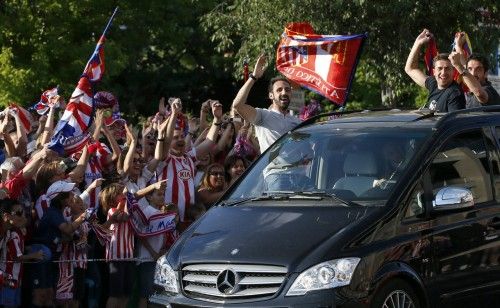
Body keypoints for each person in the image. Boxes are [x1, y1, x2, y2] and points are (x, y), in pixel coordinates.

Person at [233, 54, 301, 152]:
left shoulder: (298, 122)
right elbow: (238, 105)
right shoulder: (262, 115)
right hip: (273, 167)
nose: (284, 93)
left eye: (287, 90)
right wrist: (254, 76)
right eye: (279, 90)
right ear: (271, 95)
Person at [405, 29, 465, 112]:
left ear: (453, 71)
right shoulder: (433, 83)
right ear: (434, 72)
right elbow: (410, 69)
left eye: (447, 68)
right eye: (440, 68)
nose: (443, 73)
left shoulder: (454, 93)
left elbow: (454, 123)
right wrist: (417, 43)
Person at [449, 34, 500, 108]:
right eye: (470, 69)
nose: (473, 73)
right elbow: (464, 66)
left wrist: (457, 65)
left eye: (478, 69)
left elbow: (479, 93)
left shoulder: (488, 90)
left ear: (486, 73)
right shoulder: (470, 89)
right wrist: (458, 46)